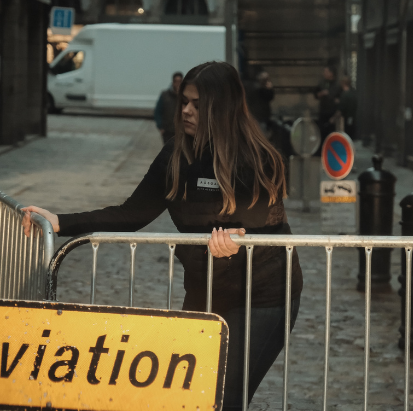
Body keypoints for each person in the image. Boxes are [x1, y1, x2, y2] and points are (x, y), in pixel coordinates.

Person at [22, 61, 303, 411]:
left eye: (197, 105)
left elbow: (256, 226)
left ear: (222, 107)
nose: (185, 110)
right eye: (184, 101)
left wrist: (235, 240)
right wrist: (61, 221)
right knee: (188, 396)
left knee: (224, 398)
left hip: (263, 294)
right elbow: (131, 213)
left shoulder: (259, 159)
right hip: (207, 287)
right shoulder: (176, 154)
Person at [314, 65, 342, 142]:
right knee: (321, 133)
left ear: (331, 73)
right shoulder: (322, 83)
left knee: (331, 134)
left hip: (332, 113)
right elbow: (316, 95)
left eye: (326, 72)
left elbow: (339, 99)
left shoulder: (337, 85)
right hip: (323, 112)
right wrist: (321, 93)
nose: (324, 73)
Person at [154, 71, 183, 144]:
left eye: (180, 81)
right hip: (168, 130)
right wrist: (160, 127)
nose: (178, 84)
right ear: (173, 82)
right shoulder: (165, 95)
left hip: (181, 131)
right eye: (176, 81)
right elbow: (158, 111)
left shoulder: (185, 96)